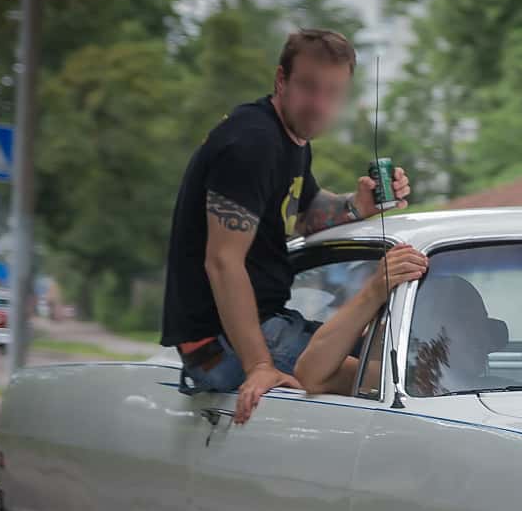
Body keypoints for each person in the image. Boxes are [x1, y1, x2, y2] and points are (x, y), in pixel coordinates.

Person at [159, 27, 423, 423]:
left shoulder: (289, 140)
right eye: (309, 87)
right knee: (391, 377)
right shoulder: (252, 143)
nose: (319, 104)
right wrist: (259, 366)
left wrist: (357, 205)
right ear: (281, 80)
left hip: (262, 326)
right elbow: (222, 262)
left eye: (332, 92)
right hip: (218, 345)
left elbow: (301, 213)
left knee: (383, 350)